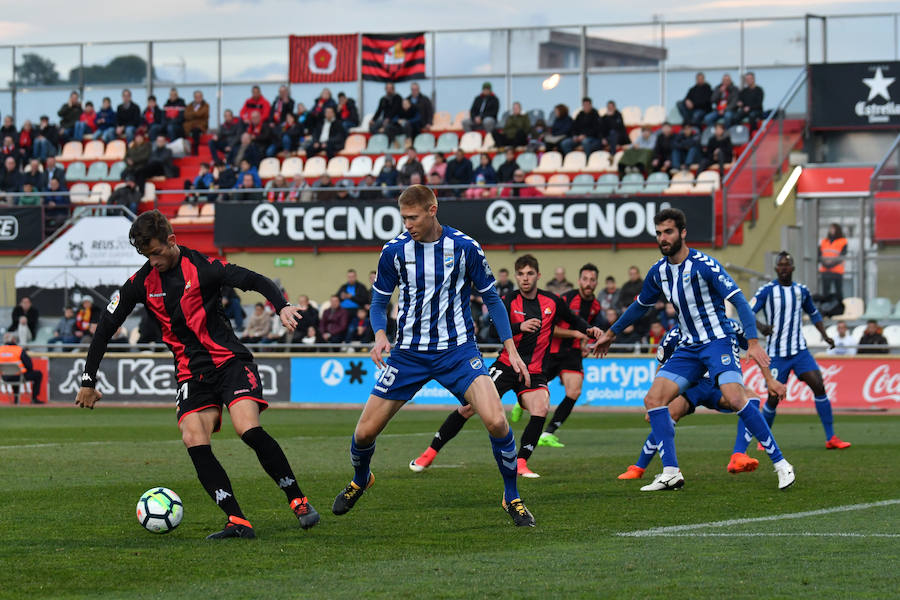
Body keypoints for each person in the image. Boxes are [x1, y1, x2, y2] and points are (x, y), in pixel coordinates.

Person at [74, 210, 318, 539]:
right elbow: (104, 329)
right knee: (193, 438)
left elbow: (254, 280)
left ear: (172, 241)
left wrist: (282, 305)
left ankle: (298, 500)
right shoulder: (141, 283)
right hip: (191, 372)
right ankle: (237, 521)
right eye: (146, 255)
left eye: (156, 253)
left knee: (248, 429)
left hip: (229, 361)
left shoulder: (204, 268)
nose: (153, 261)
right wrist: (88, 380)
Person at [332, 185, 535, 527]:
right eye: (403, 218)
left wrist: (510, 348)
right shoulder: (394, 251)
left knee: (497, 421)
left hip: (458, 352)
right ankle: (361, 478)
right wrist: (380, 335)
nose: (407, 224)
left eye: (412, 217)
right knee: (364, 434)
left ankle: (511, 495)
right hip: (408, 354)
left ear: (432, 210)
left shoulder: (465, 247)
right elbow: (379, 302)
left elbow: (493, 300)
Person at [592, 207, 795, 491]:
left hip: (717, 341)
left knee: (736, 397)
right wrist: (611, 333)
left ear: (683, 233)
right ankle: (671, 471)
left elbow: (740, 302)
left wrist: (752, 342)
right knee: (654, 399)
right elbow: (640, 306)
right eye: (659, 233)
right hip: (688, 346)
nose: (663, 238)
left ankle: (781, 463)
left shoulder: (705, 265)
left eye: (669, 232)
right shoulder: (659, 272)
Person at [410, 253, 601, 476]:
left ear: (538, 275)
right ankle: (430, 453)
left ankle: (521, 462)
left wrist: (589, 329)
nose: (525, 278)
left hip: (534, 370)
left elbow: (573, 319)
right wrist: (520, 326)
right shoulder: (509, 300)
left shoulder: (552, 301)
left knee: (541, 407)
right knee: (469, 407)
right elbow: (491, 330)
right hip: (506, 365)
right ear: (516, 277)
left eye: (530, 274)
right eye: (521, 274)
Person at [617, 318, 780, 479]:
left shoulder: (731, 326)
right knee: (669, 415)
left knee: (751, 399)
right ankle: (638, 468)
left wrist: (770, 380)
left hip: (718, 385)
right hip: (691, 387)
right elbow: (662, 366)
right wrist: (656, 405)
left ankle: (738, 455)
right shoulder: (674, 335)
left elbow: (755, 349)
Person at [746, 251, 851, 451]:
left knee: (819, 386)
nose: (784, 268)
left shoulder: (801, 291)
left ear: (793, 268)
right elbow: (748, 312)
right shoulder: (767, 291)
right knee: (773, 397)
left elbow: (813, 313)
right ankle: (764, 440)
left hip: (799, 351)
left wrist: (825, 335)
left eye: (787, 265)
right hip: (776, 353)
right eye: (781, 265)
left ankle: (831, 437)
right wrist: (761, 327)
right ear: (776, 269)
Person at [537, 263, 604, 447]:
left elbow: (587, 330)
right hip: (552, 351)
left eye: (592, 280)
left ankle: (548, 433)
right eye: (585, 279)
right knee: (534, 391)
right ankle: (521, 404)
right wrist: (575, 334)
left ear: (597, 282)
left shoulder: (596, 306)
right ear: (579, 280)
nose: (588, 283)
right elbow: (549, 328)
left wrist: (584, 344)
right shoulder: (564, 300)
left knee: (574, 391)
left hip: (572, 354)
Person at [0, 332, 44, 403]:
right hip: (19, 376)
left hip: (5, 377)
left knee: (15, 375)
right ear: (14, 340)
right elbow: (29, 365)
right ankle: (34, 398)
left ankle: (16, 399)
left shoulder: (0, 350)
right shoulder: (19, 350)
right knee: (38, 374)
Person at [818, 223, 847, 301]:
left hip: (837, 270)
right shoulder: (824, 241)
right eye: (830, 229)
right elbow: (819, 254)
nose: (831, 230)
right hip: (825, 270)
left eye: (833, 229)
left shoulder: (843, 241)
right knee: (825, 292)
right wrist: (826, 263)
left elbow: (842, 255)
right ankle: (826, 309)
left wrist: (831, 263)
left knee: (839, 292)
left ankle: (840, 309)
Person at [183, 90, 210, 156]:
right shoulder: (189, 105)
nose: (198, 98)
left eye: (199, 97)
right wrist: (196, 114)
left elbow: (202, 114)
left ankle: (195, 150)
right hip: (190, 125)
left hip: (201, 125)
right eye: (196, 97)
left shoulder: (206, 105)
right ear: (194, 97)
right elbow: (186, 115)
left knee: (196, 131)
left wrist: (192, 114)